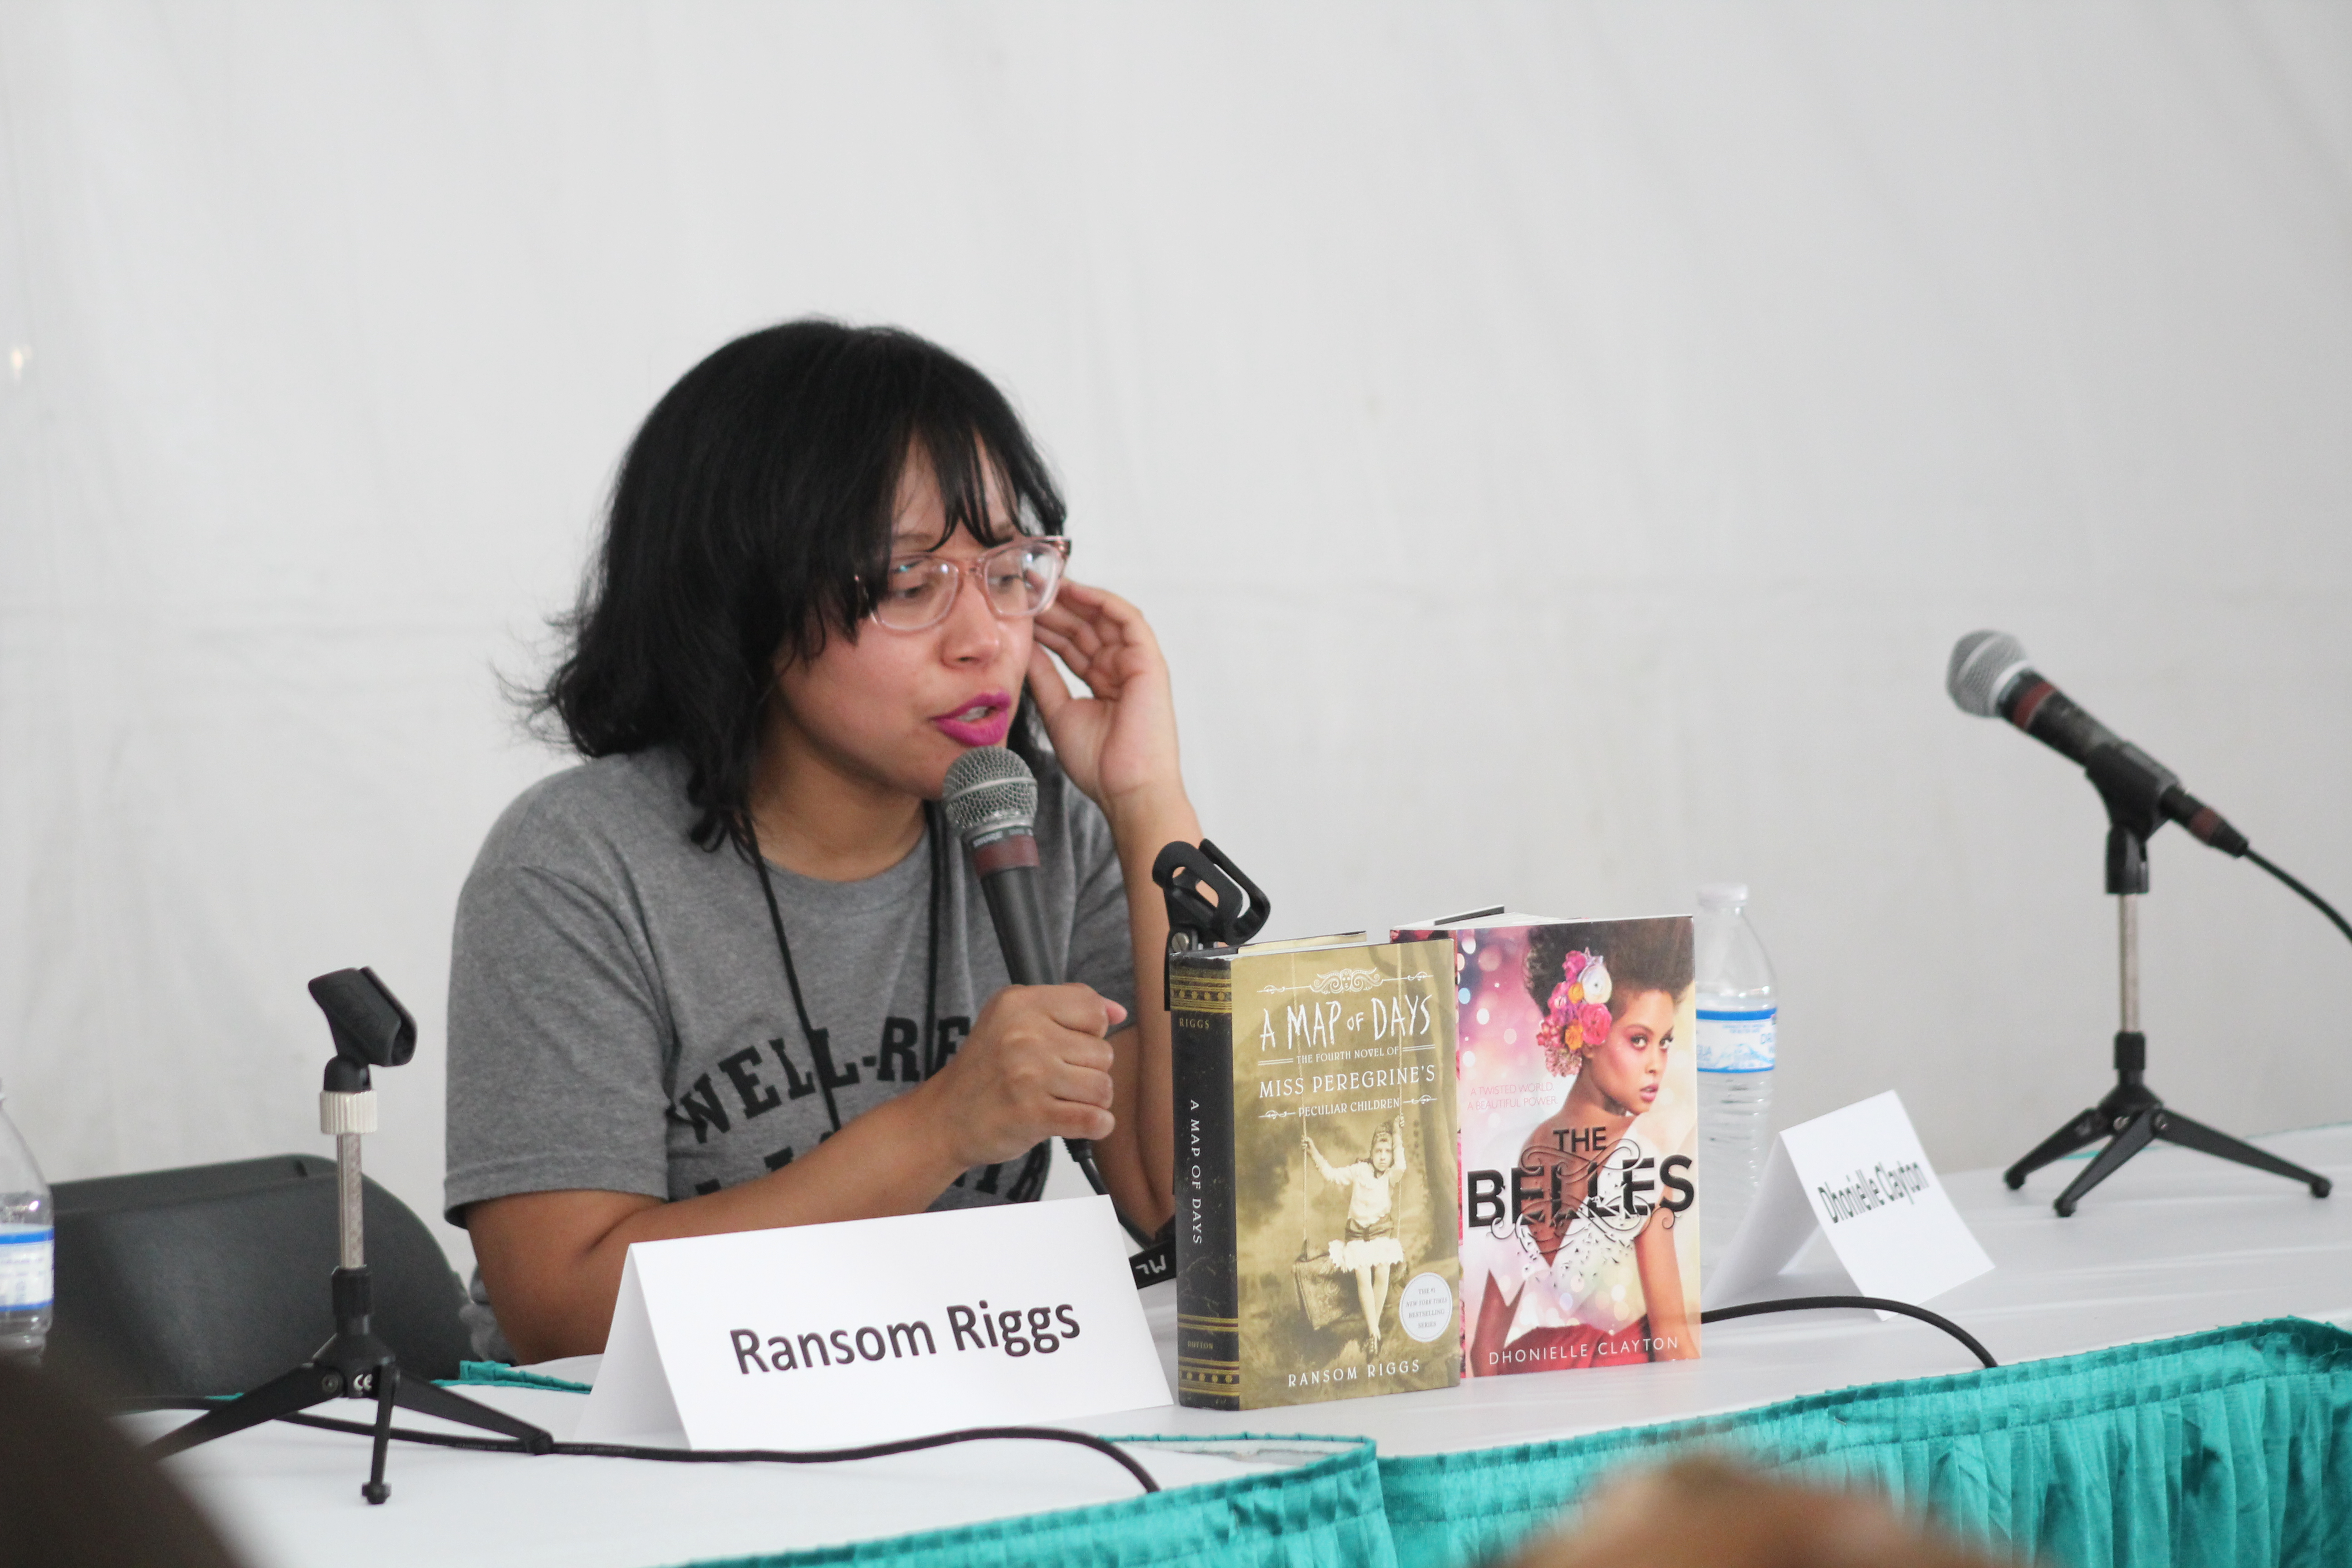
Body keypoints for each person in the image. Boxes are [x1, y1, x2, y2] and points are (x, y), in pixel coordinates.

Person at [444, 321, 1197, 1363]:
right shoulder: (578, 865)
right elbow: (562, 1313)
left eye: (1008, 570)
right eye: (910, 584)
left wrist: (1147, 803)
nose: (984, 638)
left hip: (963, 1412)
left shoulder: (1044, 827)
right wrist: (940, 1128)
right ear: (747, 601)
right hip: (632, 1445)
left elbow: (1183, 1207)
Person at [1467, 920, 1699, 1369]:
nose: (1657, 1065)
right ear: (1589, 1039)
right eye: (1639, 1041)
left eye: (1665, 1043)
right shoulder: (1644, 1159)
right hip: (1623, 1389)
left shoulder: (1506, 1155)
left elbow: (1484, 1354)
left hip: (1538, 1380)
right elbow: (1673, 1345)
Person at [1303, 1113, 1408, 1348]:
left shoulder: (1391, 1176)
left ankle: (1373, 1333)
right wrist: (1314, 1153)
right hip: (1357, 1237)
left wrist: (1397, 1134)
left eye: (1388, 1152)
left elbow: (1402, 1165)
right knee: (1363, 1273)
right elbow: (1332, 1175)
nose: (1383, 1157)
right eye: (1379, 1151)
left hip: (1380, 1235)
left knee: (1383, 1271)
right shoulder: (1360, 1170)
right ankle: (1374, 1332)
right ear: (1371, 1152)